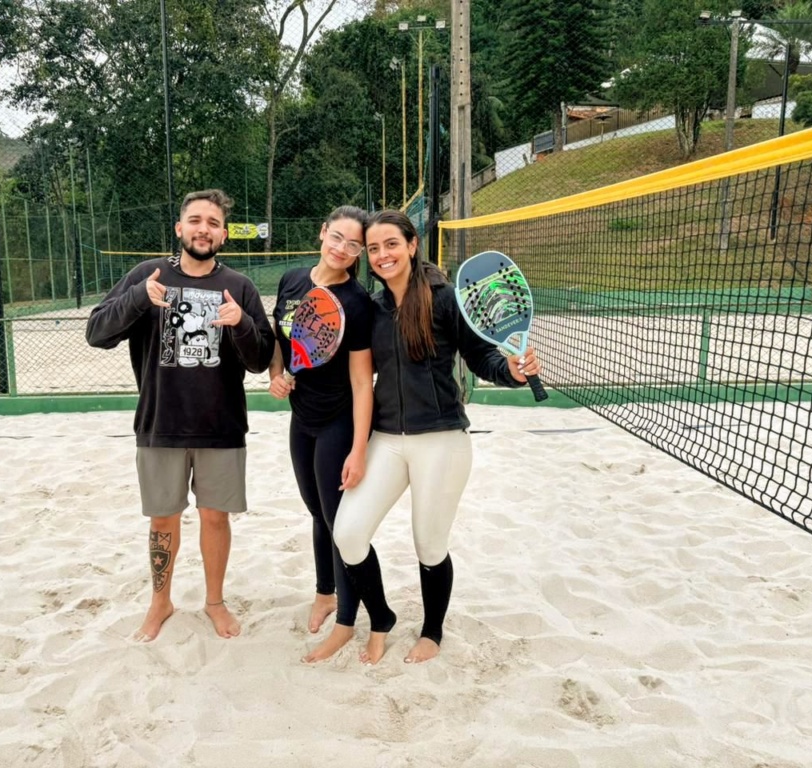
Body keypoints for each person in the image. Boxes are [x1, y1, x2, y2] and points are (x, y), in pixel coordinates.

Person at [332, 209, 543, 666]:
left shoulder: (444, 298)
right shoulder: (372, 307)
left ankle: (432, 631)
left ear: (412, 245)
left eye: (392, 244)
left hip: (442, 438)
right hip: (387, 439)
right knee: (348, 533)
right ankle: (382, 618)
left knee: (429, 544)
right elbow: (357, 375)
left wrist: (511, 371)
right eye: (374, 248)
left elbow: (483, 357)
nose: (382, 255)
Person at [85, 189, 275, 642]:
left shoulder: (239, 286)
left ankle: (215, 601)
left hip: (220, 425)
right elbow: (97, 333)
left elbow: (261, 358)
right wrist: (139, 297)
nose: (203, 229)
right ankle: (160, 601)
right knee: (162, 519)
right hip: (160, 422)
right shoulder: (147, 276)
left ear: (223, 235)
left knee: (215, 517)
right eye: (195, 220)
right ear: (179, 228)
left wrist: (240, 322)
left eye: (213, 223)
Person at [268, 206, 374, 662]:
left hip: (338, 420)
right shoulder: (292, 280)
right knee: (317, 511)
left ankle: (347, 619)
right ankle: (325, 594)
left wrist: (358, 448)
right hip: (302, 417)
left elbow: (362, 382)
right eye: (337, 238)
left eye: (353, 245)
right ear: (322, 232)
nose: (342, 249)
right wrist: (276, 374)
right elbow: (280, 342)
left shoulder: (358, 302)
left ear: (359, 253)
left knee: (339, 522)